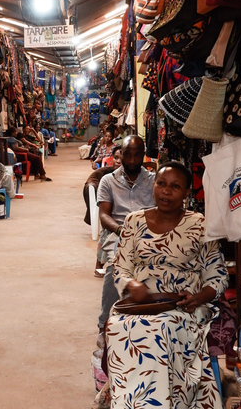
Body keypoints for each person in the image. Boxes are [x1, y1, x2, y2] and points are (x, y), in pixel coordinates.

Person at [106, 162, 227, 408]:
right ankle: (128, 402)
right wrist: (131, 284)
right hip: (139, 304)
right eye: (161, 184)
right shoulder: (133, 222)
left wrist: (199, 298)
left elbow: (218, 275)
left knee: (161, 328)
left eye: (175, 186)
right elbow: (120, 267)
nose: (166, 191)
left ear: (186, 193)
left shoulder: (200, 224)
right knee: (117, 326)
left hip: (183, 306)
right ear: (153, 186)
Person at [96, 136, 155, 333]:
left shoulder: (154, 181)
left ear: (142, 155)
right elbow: (104, 215)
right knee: (116, 267)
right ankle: (105, 324)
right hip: (118, 232)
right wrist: (123, 231)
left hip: (149, 234)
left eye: (137, 155)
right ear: (120, 154)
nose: (131, 160)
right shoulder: (108, 181)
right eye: (127, 155)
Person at [83, 146, 121, 277]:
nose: (118, 161)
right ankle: (99, 265)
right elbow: (104, 210)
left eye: (122, 158)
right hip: (112, 213)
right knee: (107, 231)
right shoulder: (107, 177)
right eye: (116, 158)